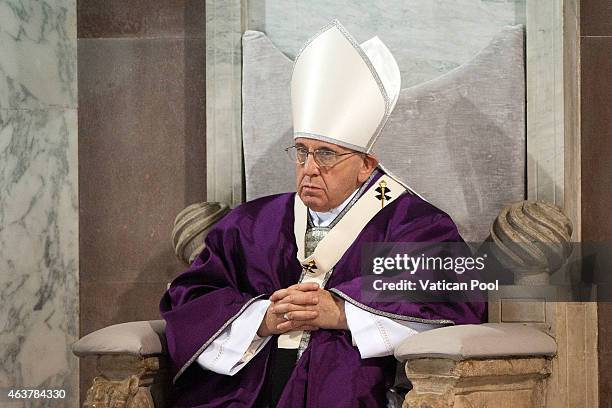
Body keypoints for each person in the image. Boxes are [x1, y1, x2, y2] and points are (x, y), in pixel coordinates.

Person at [160, 19, 485, 407]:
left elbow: (457, 296)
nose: (309, 168)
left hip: (347, 387)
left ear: (366, 164)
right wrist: (260, 319)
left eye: (326, 154)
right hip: (247, 388)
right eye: (301, 151)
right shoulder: (252, 224)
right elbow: (190, 297)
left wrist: (342, 312)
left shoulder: (411, 224)